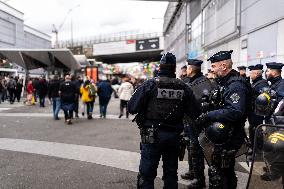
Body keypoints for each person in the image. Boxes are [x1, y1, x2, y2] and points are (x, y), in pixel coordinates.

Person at [128, 52, 200, 189]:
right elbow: (195, 112)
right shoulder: (184, 87)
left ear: (159, 68)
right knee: (171, 173)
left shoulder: (149, 84)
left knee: (146, 174)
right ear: (174, 69)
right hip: (174, 136)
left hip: (151, 136)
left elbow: (132, 107)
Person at [196, 50, 251, 188]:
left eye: (214, 66)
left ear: (224, 66)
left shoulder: (236, 85)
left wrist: (209, 115)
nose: (212, 70)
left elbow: (235, 111)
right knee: (223, 172)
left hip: (230, 137)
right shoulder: (225, 83)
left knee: (220, 175)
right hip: (222, 135)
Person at [181, 59, 216, 188]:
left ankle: (199, 179)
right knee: (196, 148)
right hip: (207, 122)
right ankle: (194, 172)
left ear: (190, 69)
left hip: (194, 123)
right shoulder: (210, 82)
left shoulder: (192, 85)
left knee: (195, 149)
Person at [247, 64, 269, 153]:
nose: (250, 75)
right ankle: (254, 145)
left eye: (251, 73)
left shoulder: (262, 84)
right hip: (253, 111)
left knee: (256, 129)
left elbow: (263, 99)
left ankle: (257, 148)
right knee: (252, 128)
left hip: (257, 112)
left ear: (256, 73)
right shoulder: (256, 83)